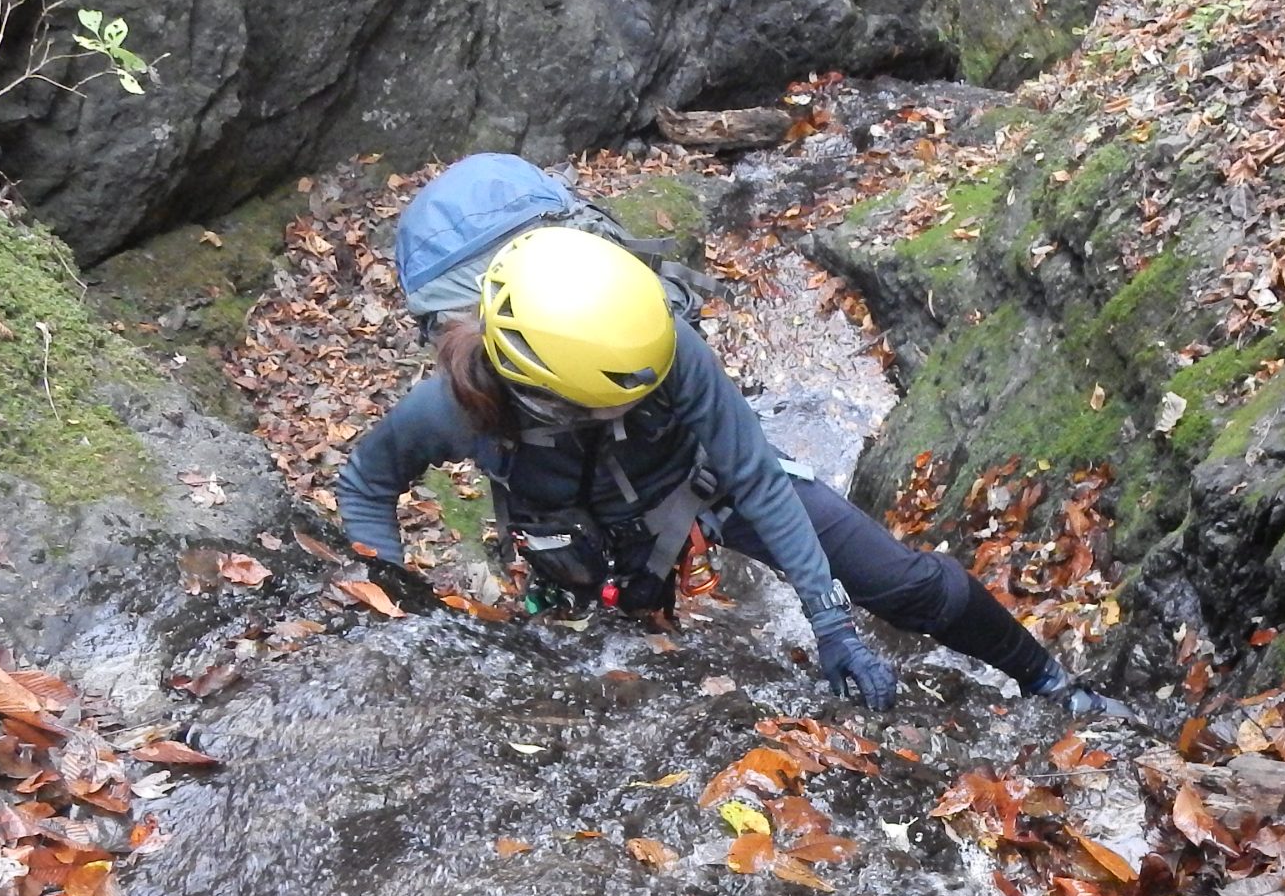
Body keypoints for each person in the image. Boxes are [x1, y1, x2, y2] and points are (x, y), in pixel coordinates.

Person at [334, 224, 1132, 716]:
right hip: (565, 526)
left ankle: (1049, 681)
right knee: (601, 661)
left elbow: (752, 473)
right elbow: (367, 484)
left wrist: (833, 625)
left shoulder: (663, 343)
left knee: (905, 582)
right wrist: (392, 607)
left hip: (695, 480)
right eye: (598, 410)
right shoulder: (448, 408)